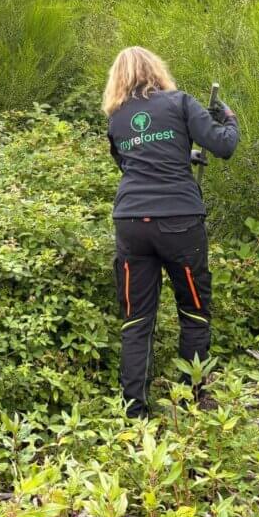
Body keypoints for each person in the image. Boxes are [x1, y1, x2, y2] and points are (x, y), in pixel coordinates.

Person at [103, 46, 239, 417]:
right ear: (156, 69)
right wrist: (227, 116)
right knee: (194, 311)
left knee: (136, 319)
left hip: (131, 224)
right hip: (179, 222)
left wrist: (185, 157)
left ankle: (134, 414)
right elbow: (224, 145)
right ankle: (189, 403)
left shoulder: (116, 119)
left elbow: (132, 164)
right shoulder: (180, 103)